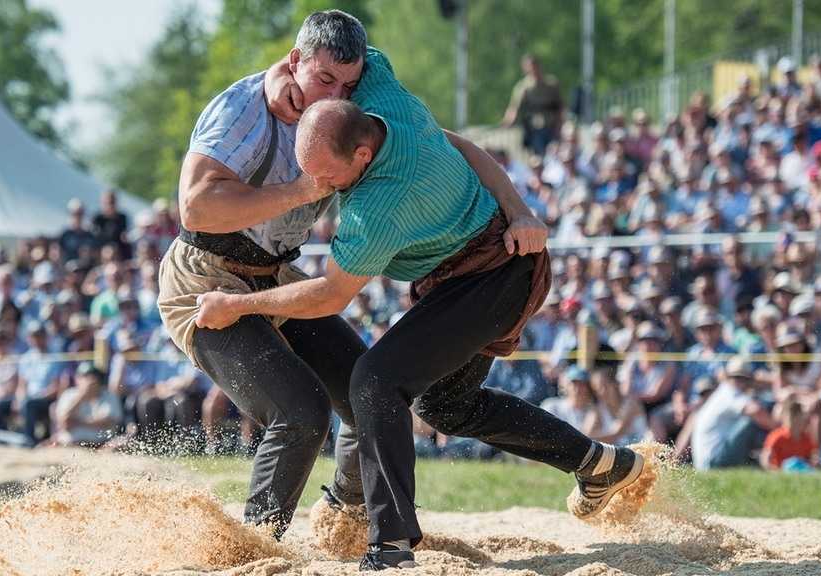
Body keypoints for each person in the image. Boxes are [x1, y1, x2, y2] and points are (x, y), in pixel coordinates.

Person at [195, 53, 643, 570]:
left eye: (324, 175)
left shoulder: (375, 208)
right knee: (445, 406)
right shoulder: (384, 93)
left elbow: (329, 297)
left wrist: (236, 304)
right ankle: (601, 465)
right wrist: (280, 74)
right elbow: (462, 142)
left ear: (362, 155)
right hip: (486, 266)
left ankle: (390, 547)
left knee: (374, 380)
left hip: (489, 276)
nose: (313, 188)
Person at [162, 10, 547, 540]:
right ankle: (250, 550)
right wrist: (303, 190)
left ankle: (345, 513)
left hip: (274, 273)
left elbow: (446, 143)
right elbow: (196, 210)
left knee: (370, 394)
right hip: (205, 279)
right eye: (323, 80)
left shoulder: (352, 102)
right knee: (302, 411)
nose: (335, 96)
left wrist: (519, 209)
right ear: (294, 61)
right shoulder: (241, 111)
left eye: (347, 83)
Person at [690, 356, 777, 471]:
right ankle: (778, 455)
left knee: (753, 421)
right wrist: (779, 430)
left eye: (745, 379)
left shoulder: (723, 392)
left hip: (710, 459)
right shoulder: (729, 393)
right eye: (737, 378)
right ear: (728, 378)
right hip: (712, 462)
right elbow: (755, 411)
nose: (741, 382)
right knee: (750, 422)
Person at [502, 54, 564, 156]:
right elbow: (515, 107)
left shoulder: (552, 84)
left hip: (552, 125)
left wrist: (559, 124)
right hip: (535, 127)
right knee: (538, 155)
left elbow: (561, 106)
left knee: (555, 154)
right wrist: (508, 120)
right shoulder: (523, 87)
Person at [52, 362, 123, 448]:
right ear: (77, 378)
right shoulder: (68, 394)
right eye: (86, 376)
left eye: (94, 376)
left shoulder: (109, 395)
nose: (91, 380)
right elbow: (64, 421)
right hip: (71, 444)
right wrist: (83, 395)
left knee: (122, 442)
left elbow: (108, 420)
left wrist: (77, 424)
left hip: (103, 444)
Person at [759, 400, 818, 472]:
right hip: (781, 470)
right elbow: (765, 459)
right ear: (783, 418)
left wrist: (812, 465)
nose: (796, 422)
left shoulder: (806, 437)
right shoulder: (777, 436)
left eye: (799, 418)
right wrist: (774, 471)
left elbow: (813, 457)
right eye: (792, 419)